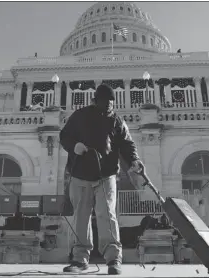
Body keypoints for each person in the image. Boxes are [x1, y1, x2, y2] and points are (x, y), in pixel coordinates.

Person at [60, 84, 144, 275]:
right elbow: (64, 136)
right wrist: (75, 146)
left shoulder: (117, 120)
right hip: (80, 174)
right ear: (95, 101)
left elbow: (127, 144)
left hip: (106, 175)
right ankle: (79, 259)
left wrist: (135, 160)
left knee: (107, 215)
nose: (108, 106)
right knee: (81, 216)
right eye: (105, 102)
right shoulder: (79, 116)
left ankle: (114, 258)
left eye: (111, 103)